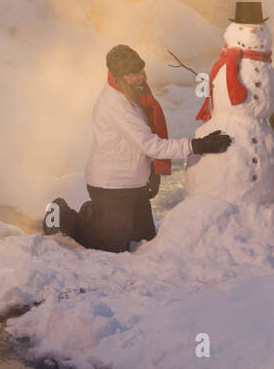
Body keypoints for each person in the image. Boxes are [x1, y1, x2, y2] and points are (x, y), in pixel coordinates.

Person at [45, 44, 233, 252]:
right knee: (114, 245)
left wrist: (150, 172)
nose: (140, 77)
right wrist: (197, 145)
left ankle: (95, 213)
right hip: (111, 184)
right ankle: (63, 215)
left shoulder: (135, 94)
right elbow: (150, 145)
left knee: (145, 239)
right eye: (133, 75)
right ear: (119, 77)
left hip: (133, 182)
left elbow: (140, 143)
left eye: (141, 71)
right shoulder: (115, 104)